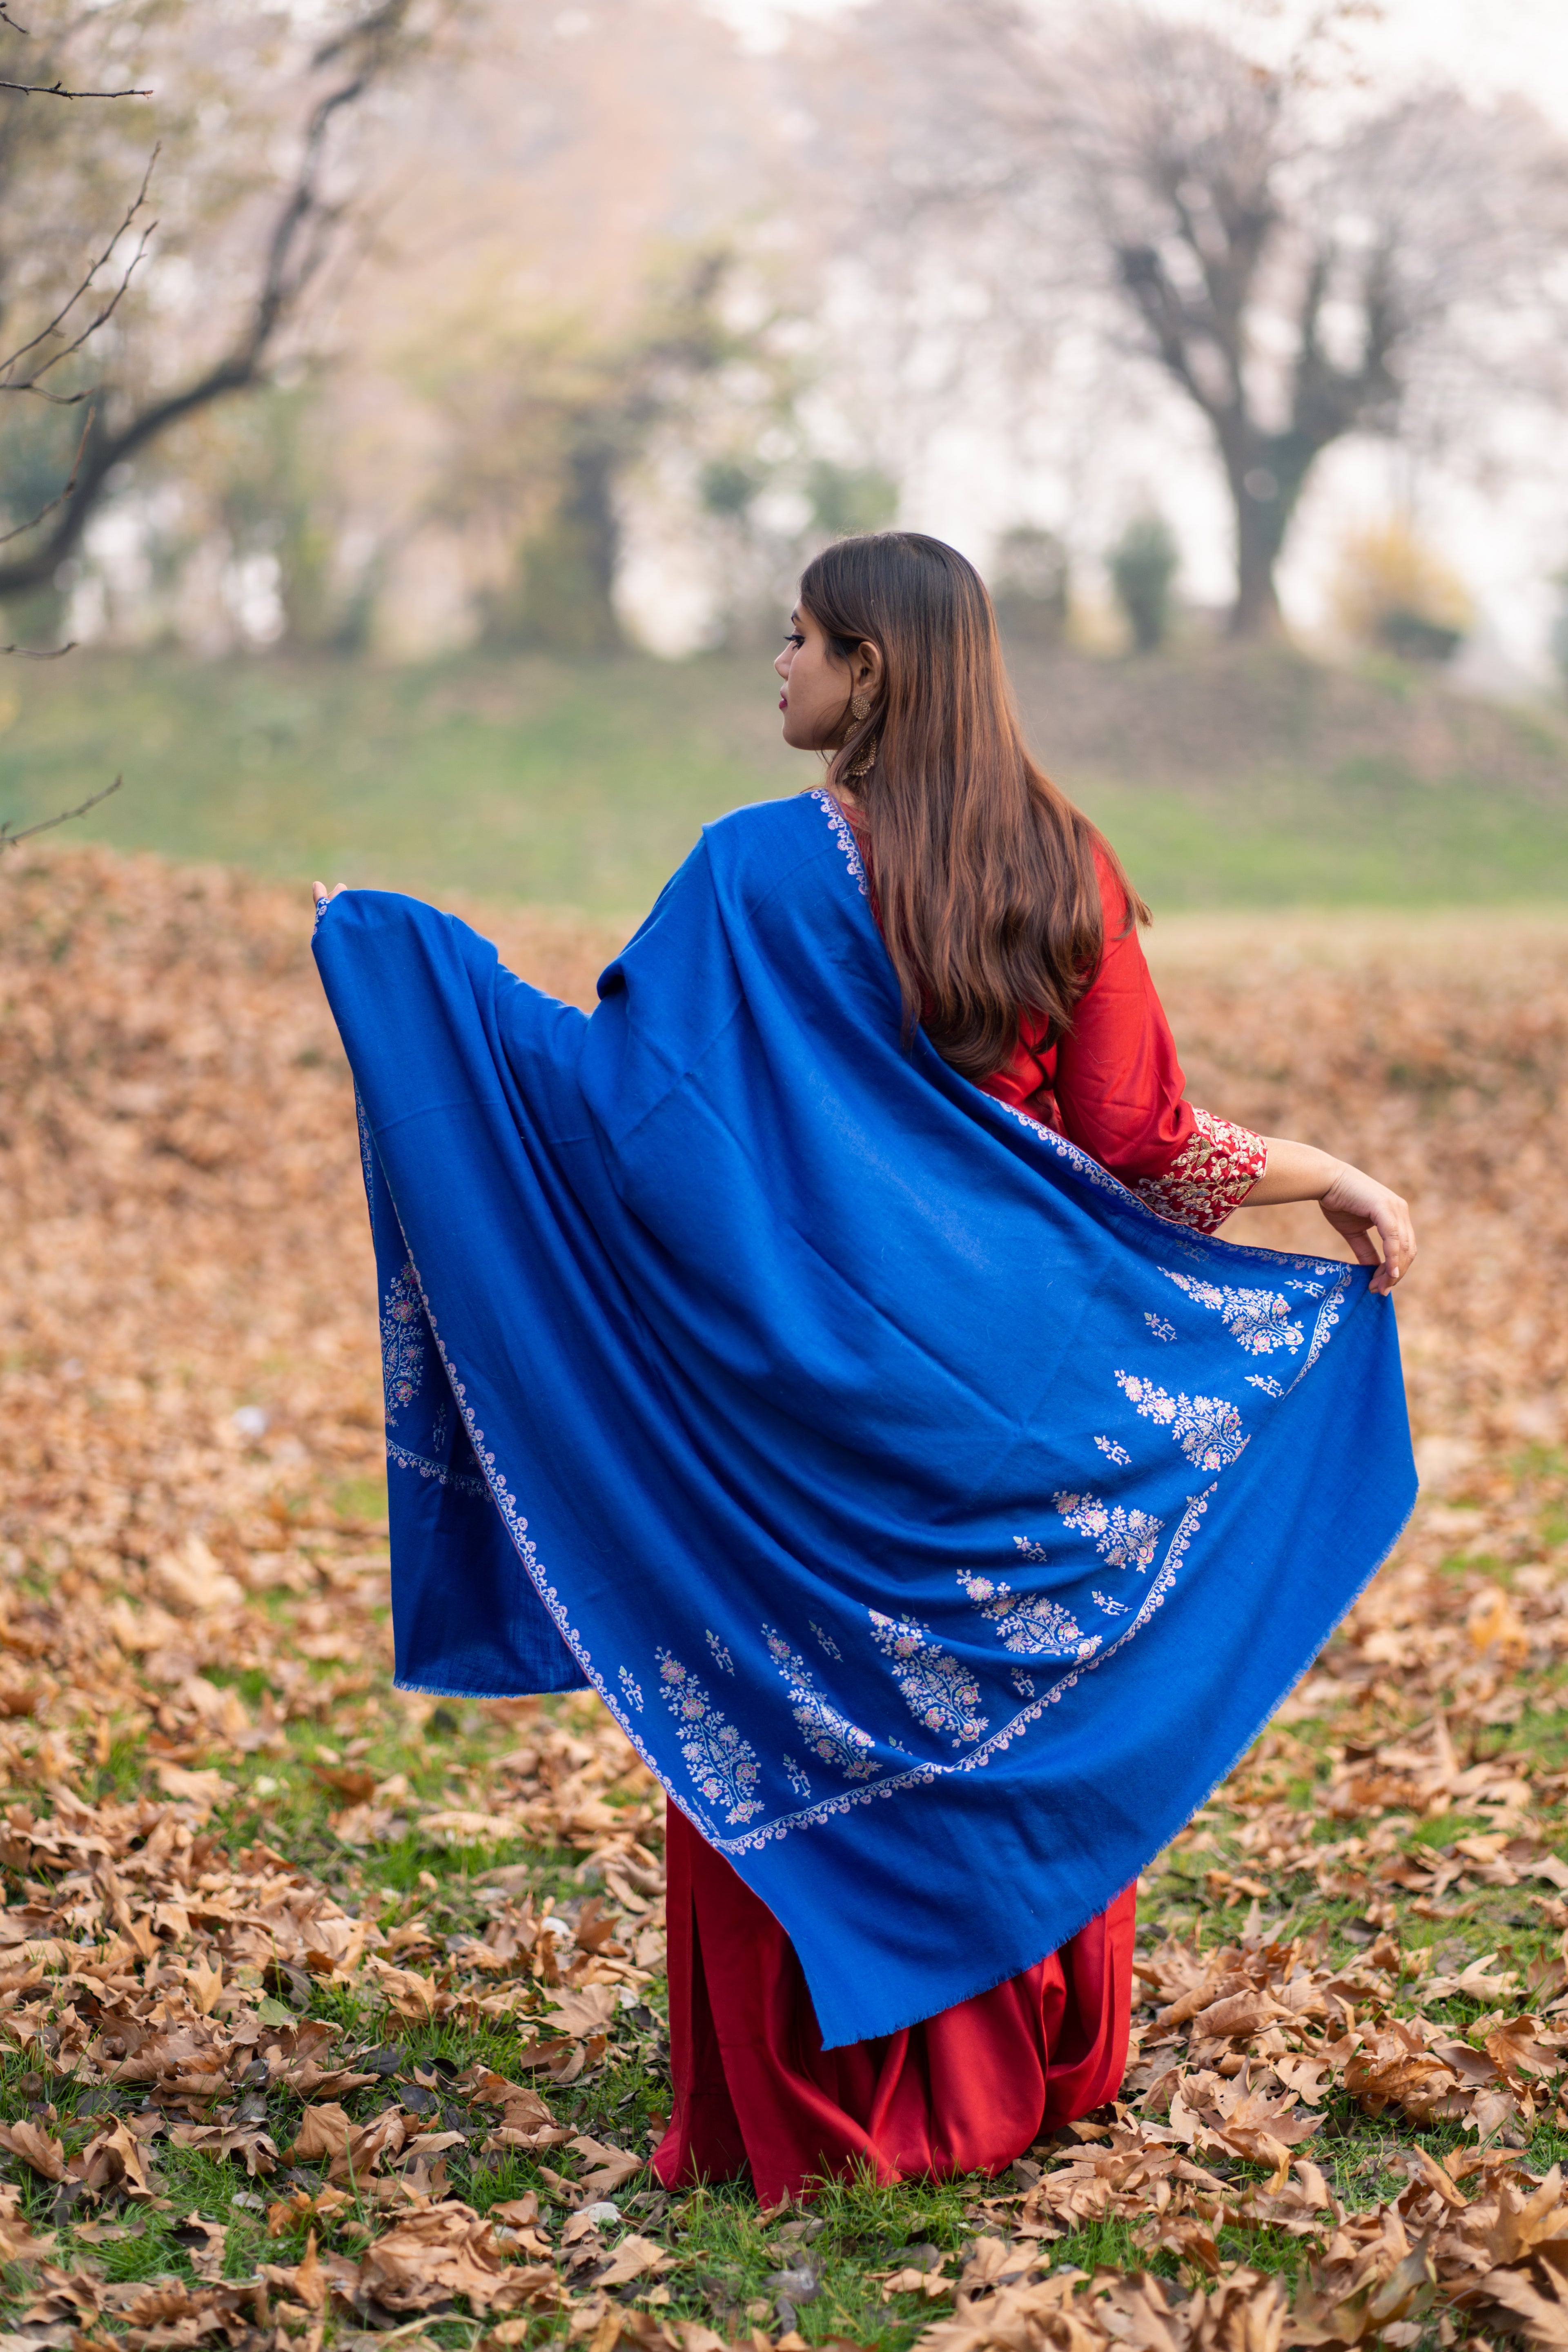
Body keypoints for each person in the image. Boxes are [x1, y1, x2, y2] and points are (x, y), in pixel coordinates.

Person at [313, 532, 1415, 2208]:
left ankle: (816, 2094)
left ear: (869, 673)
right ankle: (1028, 2075)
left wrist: (411, 972)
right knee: (1012, 1701)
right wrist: (1322, 1171)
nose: (777, 664)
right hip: (1023, 1404)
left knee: (791, 1696)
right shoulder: (1065, 867)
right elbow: (1146, 1143)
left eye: (800, 639)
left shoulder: (749, 881)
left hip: (803, 1427)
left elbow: (630, 1122)